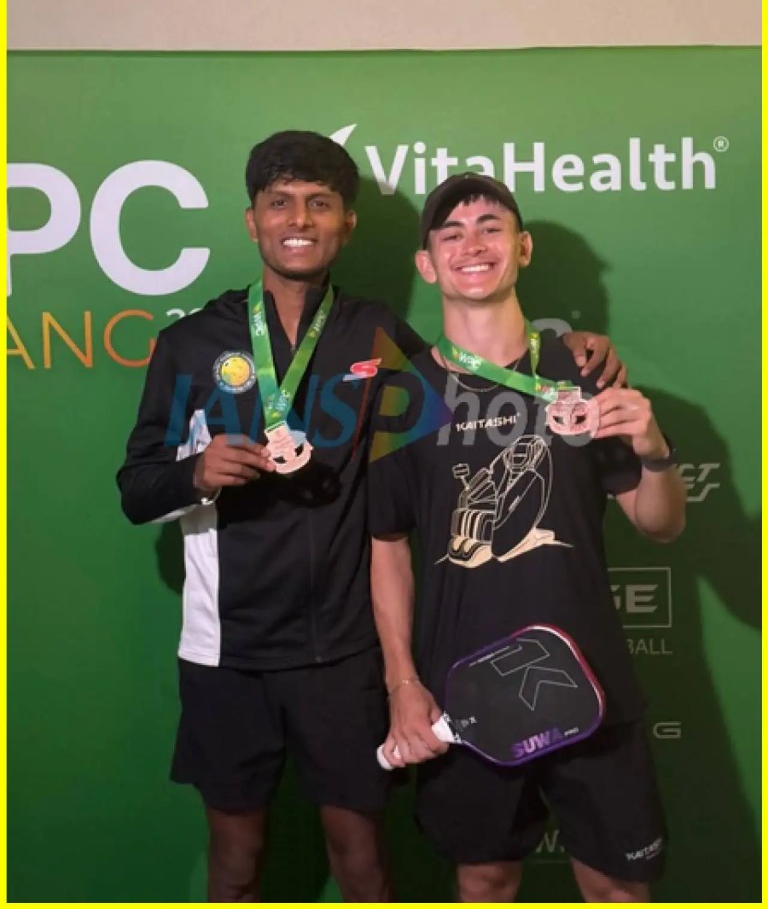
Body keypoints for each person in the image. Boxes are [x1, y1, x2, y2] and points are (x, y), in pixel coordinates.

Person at [117, 133, 626, 902]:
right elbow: (136, 488)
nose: (299, 219)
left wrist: (569, 351)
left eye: (319, 203)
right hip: (227, 649)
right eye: (280, 203)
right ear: (252, 220)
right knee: (235, 855)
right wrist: (196, 474)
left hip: (347, 651)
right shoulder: (190, 344)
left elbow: (477, 378)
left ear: (346, 224)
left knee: (361, 857)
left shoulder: (379, 333)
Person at [368, 172, 686, 902]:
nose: (472, 245)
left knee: (620, 890)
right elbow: (387, 548)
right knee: (483, 880)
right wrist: (403, 683)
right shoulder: (405, 394)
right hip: (464, 693)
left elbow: (661, 524)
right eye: (452, 234)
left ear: (523, 248)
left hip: (591, 683)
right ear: (427, 264)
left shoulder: (582, 371)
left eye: (490, 227)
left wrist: (655, 451)